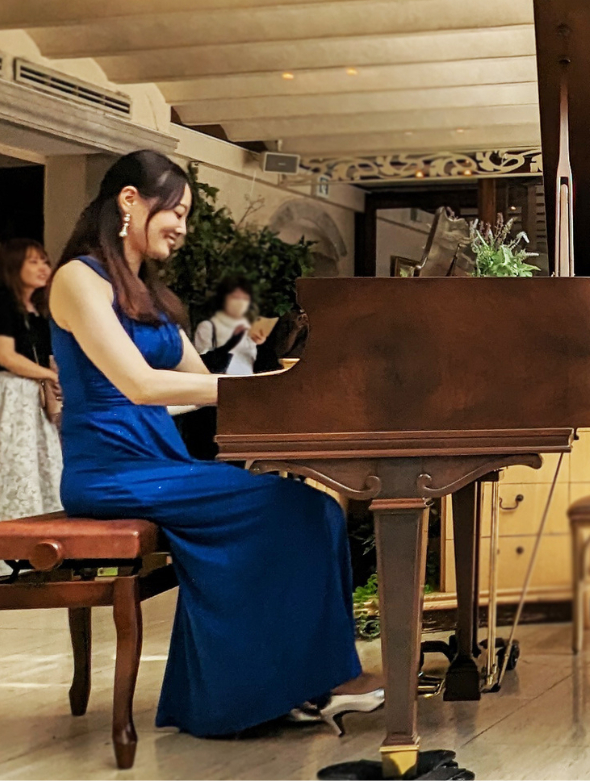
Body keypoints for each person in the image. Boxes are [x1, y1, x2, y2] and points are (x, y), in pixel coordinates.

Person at [48, 150, 382, 739]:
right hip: (111, 470)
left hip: (158, 461)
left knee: (314, 508)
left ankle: (285, 686)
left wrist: (289, 391)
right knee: (296, 508)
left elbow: (201, 383)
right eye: (176, 211)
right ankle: (299, 684)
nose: (183, 227)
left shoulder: (146, 294)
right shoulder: (79, 278)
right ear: (129, 200)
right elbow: (142, 385)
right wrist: (270, 386)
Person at [0, 238, 62, 521]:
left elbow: (46, 358)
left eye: (45, 261)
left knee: (41, 464)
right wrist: (49, 375)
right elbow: (6, 356)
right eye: (33, 261)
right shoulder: (4, 305)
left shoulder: (40, 314)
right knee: (14, 461)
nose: (43, 268)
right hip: (10, 394)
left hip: (33, 397)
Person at [194, 276, 262, 376]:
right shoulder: (208, 327)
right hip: (222, 383)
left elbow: (253, 364)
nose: (240, 303)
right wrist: (232, 342)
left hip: (248, 383)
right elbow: (203, 364)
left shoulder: (249, 328)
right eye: (235, 298)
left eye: (245, 299)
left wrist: (260, 344)